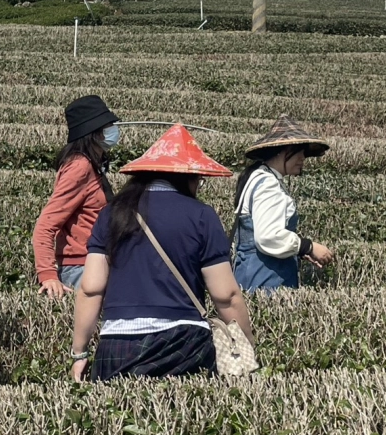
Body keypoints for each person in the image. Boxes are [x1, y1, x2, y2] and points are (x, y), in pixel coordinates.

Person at [71, 124, 252, 383]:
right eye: (198, 179)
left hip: (118, 343)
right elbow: (227, 295)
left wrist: (80, 353)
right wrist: (247, 347)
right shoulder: (202, 216)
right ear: (187, 177)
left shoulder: (111, 214)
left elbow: (90, 288)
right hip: (184, 343)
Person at [232, 114, 334, 293]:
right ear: (285, 151)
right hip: (265, 277)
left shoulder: (257, 177)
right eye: (300, 152)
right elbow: (268, 236)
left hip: (250, 271)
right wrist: (308, 247)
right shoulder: (268, 184)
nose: (303, 159)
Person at [32, 95, 119, 297]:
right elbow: (46, 224)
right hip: (82, 267)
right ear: (95, 133)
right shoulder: (80, 167)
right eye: (108, 126)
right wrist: (48, 275)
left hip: (96, 264)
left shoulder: (92, 164)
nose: (113, 131)